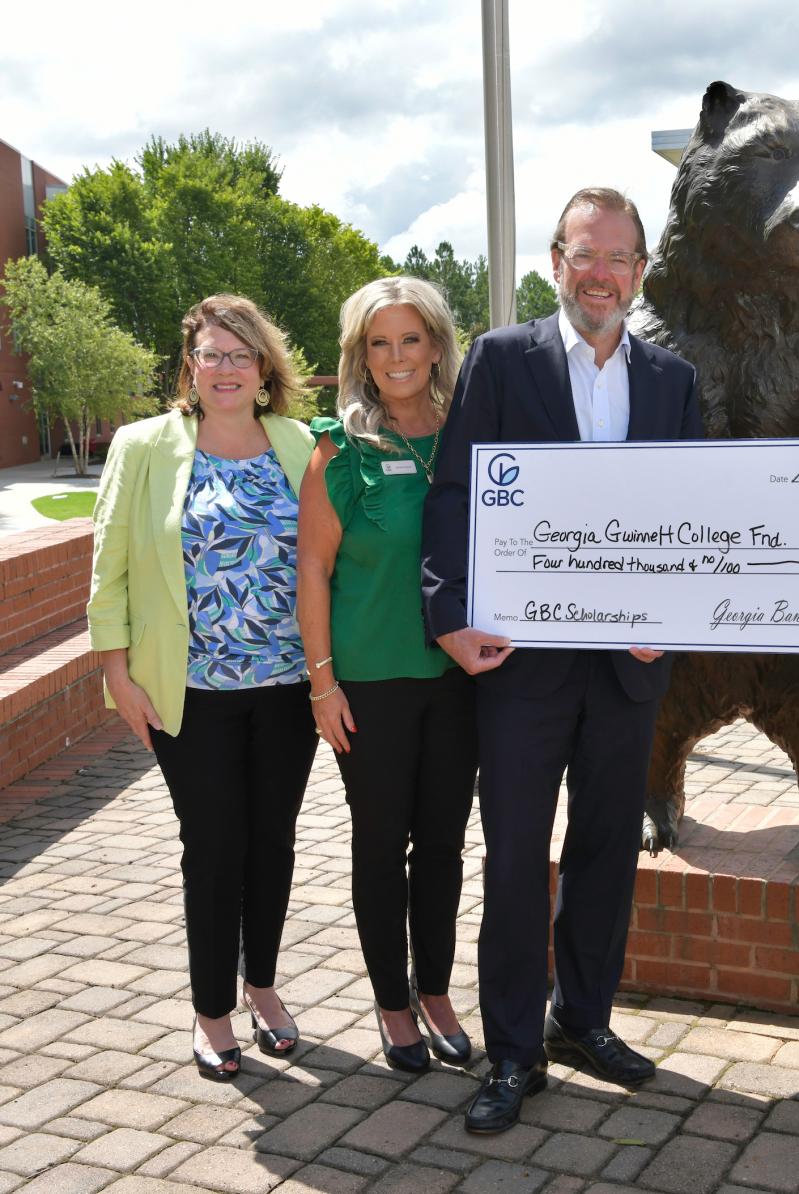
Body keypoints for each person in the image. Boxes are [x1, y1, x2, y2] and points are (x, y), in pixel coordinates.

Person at [422, 187, 701, 1134]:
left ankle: (582, 1020)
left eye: (620, 258)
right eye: (585, 254)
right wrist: (448, 616)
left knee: (604, 855)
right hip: (520, 663)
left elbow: (689, 514)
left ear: (639, 273)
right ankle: (512, 1051)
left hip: (628, 666)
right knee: (513, 857)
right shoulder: (503, 359)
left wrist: (680, 614)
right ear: (556, 262)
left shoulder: (673, 380)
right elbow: (456, 490)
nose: (601, 273)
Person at [87, 295, 317, 1080]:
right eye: (211, 354)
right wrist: (116, 671)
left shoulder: (300, 442)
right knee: (213, 847)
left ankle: (263, 986)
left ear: (264, 367)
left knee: (274, 844)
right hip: (190, 692)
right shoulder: (144, 446)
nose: (226, 368)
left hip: (289, 689)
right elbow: (110, 563)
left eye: (241, 354)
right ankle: (211, 1009)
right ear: (190, 366)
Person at [297, 276, 477, 1074]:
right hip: (368, 683)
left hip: (459, 678)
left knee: (441, 843)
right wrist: (322, 685)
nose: (397, 357)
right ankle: (392, 1002)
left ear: (436, 345)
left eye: (411, 339)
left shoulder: (471, 437)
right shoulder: (338, 448)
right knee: (380, 844)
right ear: (359, 356)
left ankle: (435, 989)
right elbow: (312, 571)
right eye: (380, 343)